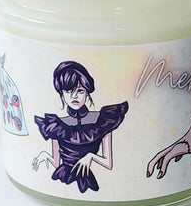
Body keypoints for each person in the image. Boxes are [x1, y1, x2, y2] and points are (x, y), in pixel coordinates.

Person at [32, 61, 128, 194]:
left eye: (80, 91)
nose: (74, 96)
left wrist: (90, 156)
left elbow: (108, 163)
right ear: (61, 93)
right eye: (68, 91)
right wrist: (45, 155)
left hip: (88, 180)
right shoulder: (56, 125)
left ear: (87, 93)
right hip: (63, 179)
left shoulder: (103, 120)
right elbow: (56, 162)